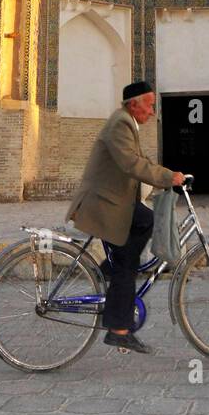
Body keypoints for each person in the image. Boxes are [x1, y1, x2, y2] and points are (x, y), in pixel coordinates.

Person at [67, 81, 184, 355]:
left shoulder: (127, 123)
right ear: (134, 104)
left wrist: (169, 176)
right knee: (127, 265)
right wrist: (169, 177)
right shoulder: (121, 124)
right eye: (150, 104)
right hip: (103, 205)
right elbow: (131, 164)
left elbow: (141, 161)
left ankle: (110, 268)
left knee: (145, 220)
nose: (153, 111)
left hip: (113, 202)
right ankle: (119, 329)